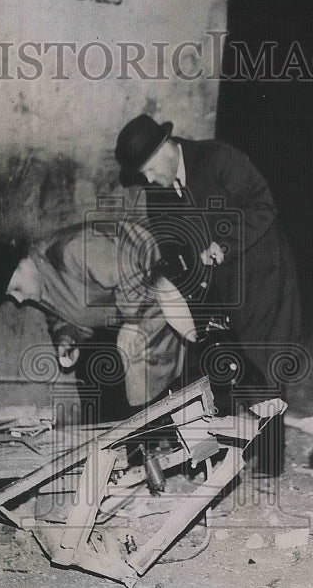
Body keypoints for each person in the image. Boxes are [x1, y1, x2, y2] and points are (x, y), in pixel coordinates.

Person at [115, 114, 301, 473]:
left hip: (262, 267)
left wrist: (224, 245)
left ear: (167, 148)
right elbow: (174, 253)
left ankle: (271, 458)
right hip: (219, 284)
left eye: (151, 170)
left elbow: (263, 205)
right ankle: (225, 456)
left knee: (265, 354)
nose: (150, 180)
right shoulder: (159, 197)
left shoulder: (218, 159)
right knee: (223, 357)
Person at [0, 219, 185, 413]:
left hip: (160, 290)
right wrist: (66, 339)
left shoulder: (71, 250)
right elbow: (60, 316)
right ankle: (127, 442)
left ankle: (166, 431)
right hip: (124, 316)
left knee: (135, 361)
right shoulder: (40, 282)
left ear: (24, 263)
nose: (19, 301)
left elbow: (131, 270)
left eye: (16, 289)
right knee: (92, 370)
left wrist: (132, 323)